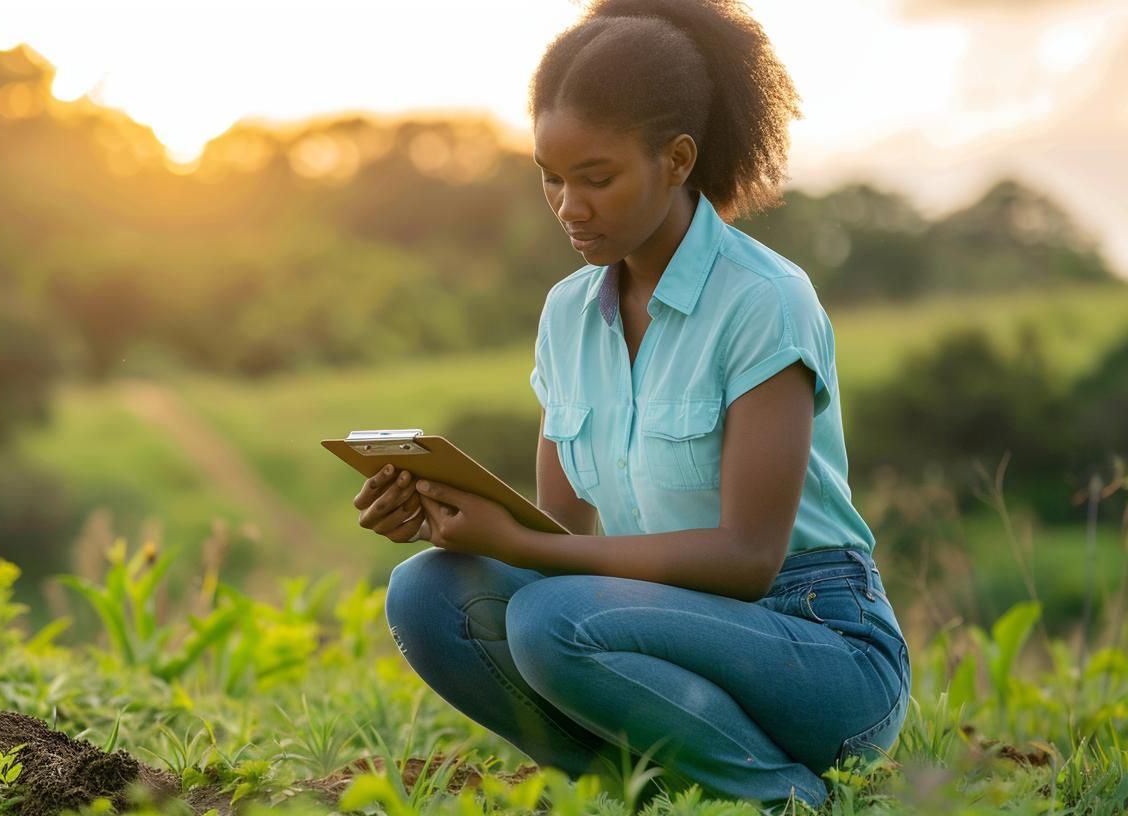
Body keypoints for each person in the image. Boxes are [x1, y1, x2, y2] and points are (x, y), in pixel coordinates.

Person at [352, 0, 910, 809]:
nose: (568, 206)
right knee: (426, 593)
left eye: (597, 178)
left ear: (676, 159)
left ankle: (780, 797)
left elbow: (747, 561)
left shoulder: (764, 301)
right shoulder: (567, 314)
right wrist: (446, 511)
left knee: (552, 620)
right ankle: (642, 791)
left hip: (818, 646)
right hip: (663, 633)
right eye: (550, 176)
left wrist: (527, 552)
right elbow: (560, 533)